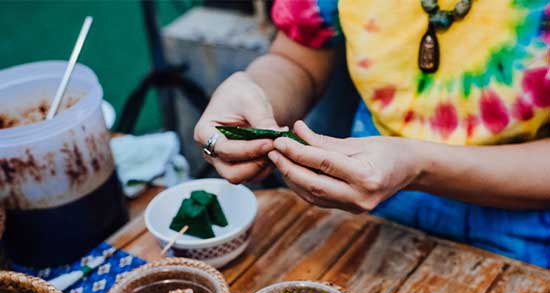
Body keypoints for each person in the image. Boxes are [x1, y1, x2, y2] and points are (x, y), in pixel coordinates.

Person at [194, 0, 550, 268]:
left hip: (524, 228)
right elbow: (297, 60)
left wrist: (418, 166)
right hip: (363, 206)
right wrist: (256, 94)